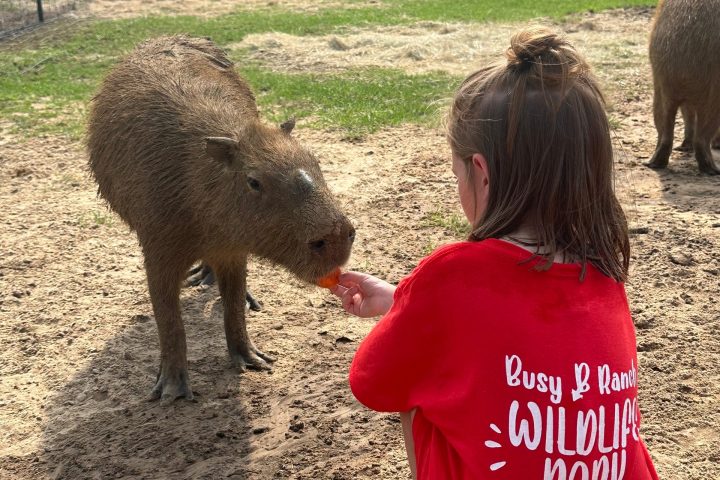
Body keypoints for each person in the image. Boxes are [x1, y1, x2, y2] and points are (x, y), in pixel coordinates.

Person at [330, 27, 659, 480]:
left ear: (480, 174)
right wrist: (400, 299)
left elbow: (373, 383)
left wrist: (413, 306)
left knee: (419, 399)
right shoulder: (604, 275)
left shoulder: (453, 274)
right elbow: (510, 324)